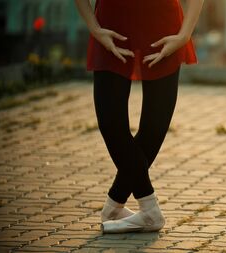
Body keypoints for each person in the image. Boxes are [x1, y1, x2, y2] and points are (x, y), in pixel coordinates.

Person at [74, 0, 204, 233]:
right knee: (110, 123)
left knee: (154, 126)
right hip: (111, 28)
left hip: (163, 26)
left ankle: (116, 208)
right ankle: (148, 211)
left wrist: (184, 35)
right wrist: (94, 29)